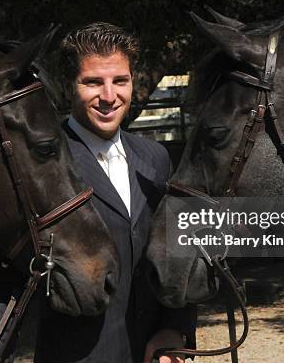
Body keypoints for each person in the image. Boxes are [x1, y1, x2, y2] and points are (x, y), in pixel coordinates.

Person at [33, 22, 196, 363]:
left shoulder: (156, 158)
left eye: (120, 81)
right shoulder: (43, 162)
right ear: (68, 85)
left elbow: (175, 253)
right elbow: (8, 277)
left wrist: (176, 329)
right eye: (93, 82)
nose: (109, 96)